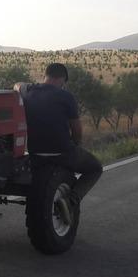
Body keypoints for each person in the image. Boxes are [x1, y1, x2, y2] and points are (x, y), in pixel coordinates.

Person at [15, 63, 103, 212]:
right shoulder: (66, 97)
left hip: (35, 154)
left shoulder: (28, 90)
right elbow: (77, 129)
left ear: (45, 75)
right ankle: (71, 200)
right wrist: (76, 145)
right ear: (62, 78)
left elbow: (17, 85)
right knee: (95, 168)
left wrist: (22, 87)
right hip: (63, 153)